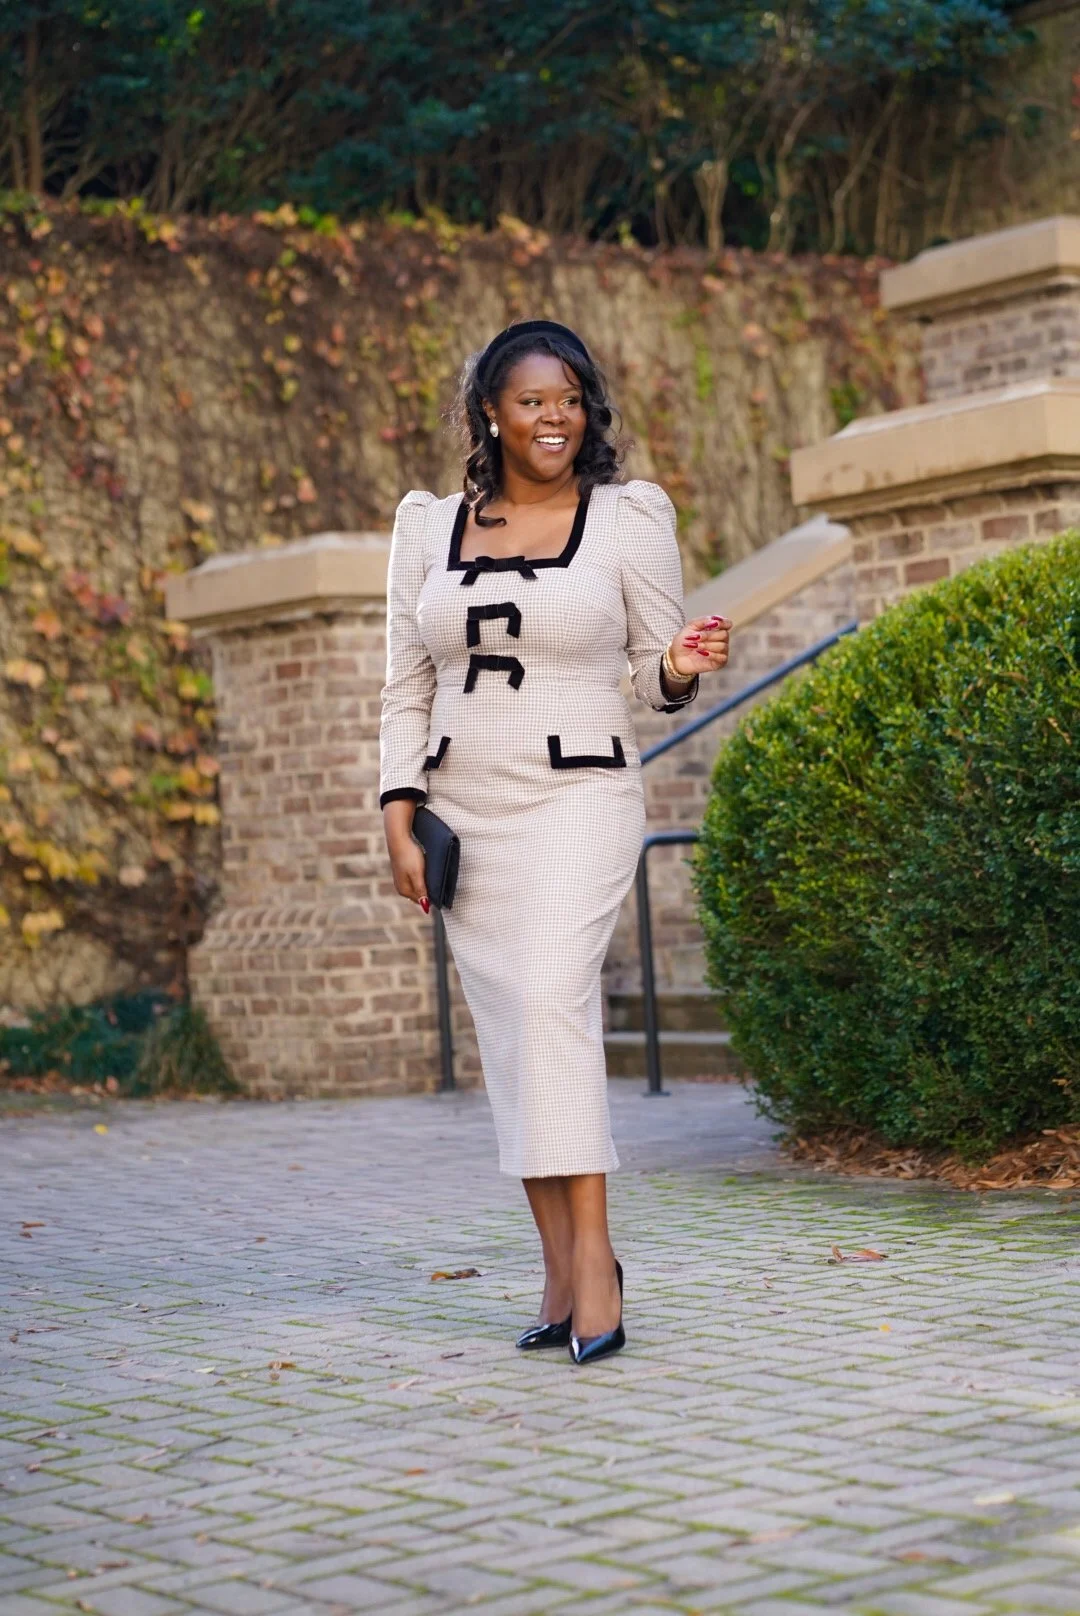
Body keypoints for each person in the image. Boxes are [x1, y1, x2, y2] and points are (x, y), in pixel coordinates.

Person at [379, 320, 730, 1364]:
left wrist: (678, 663)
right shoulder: (427, 528)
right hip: (464, 809)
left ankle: (597, 1264)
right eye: (532, 401)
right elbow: (405, 684)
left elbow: (651, 675)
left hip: (578, 796)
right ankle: (561, 1267)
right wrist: (398, 811)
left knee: (548, 1003)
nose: (554, 419)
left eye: (570, 400)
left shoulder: (627, 518)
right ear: (490, 411)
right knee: (511, 1034)